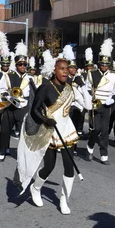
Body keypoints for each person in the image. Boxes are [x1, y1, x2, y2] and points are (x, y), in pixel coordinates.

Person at [17, 51, 85, 214]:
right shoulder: (45, 87)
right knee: (49, 166)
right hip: (50, 131)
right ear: (54, 70)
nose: (65, 72)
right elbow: (34, 110)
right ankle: (36, 187)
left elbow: (82, 103)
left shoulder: (70, 87)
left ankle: (64, 199)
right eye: (61, 69)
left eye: (67, 69)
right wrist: (46, 120)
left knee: (69, 166)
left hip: (67, 130)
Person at [0, 41, 31, 162]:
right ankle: (2, 151)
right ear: (16, 65)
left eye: (24, 64)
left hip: (24, 107)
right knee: (4, 130)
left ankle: (23, 154)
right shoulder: (8, 76)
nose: (23, 67)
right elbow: (0, 90)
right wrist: (7, 96)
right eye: (20, 64)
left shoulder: (30, 78)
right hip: (10, 107)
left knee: (24, 133)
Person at [85, 39, 115, 165]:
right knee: (96, 129)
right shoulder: (92, 73)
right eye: (102, 64)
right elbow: (87, 89)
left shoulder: (114, 76)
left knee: (105, 131)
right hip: (95, 104)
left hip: (106, 106)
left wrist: (112, 99)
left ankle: (104, 155)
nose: (104, 66)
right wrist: (90, 100)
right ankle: (90, 146)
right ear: (99, 64)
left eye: (106, 65)